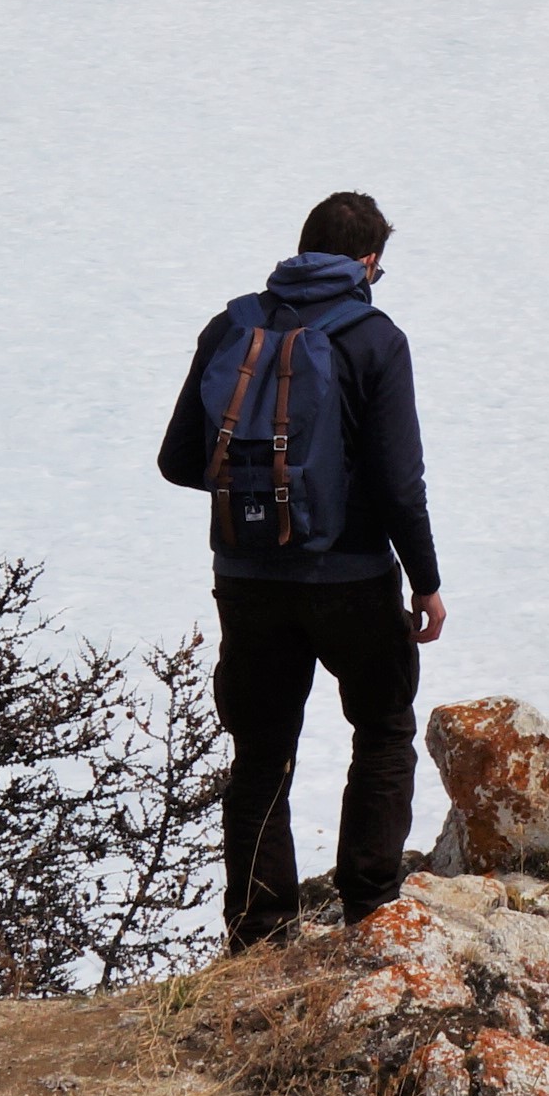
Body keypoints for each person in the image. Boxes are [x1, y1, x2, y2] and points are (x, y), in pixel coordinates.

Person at [156, 191, 444, 947]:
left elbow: (179, 459)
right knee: (382, 730)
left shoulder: (231, 327)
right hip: (351, 579)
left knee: (260, 756)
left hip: (246, 578)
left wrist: (259, 493)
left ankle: (258, 936)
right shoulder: (375, 338)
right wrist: (425, 581)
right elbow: (399, 483)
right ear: (369, 262)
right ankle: (371, 912)